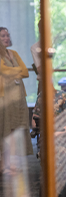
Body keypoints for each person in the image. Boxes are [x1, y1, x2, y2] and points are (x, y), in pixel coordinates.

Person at [0, 27, 33, 155]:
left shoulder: (14, 53)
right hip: (6, 96)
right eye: (3, 36)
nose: (6, 38)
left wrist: (13, 72)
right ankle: (6, 159)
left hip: (19, 95)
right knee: (7, 128)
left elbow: (25, 72)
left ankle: (16, 158)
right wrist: (17, 71)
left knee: (19, 126)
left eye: (7, 35)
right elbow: (3, 71)